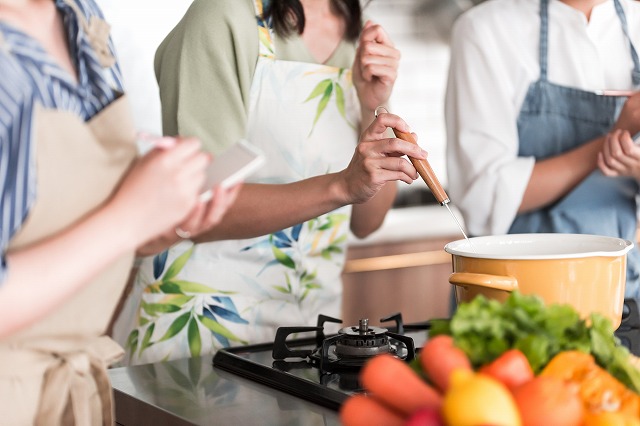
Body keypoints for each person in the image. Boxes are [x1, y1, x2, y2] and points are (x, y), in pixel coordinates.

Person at [112, 0, 427, 365]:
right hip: (198, 323)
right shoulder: (223, 15)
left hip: (307, 334)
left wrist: (373, 102)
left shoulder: (362, 35)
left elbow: (366, 222)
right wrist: (340, 186)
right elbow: (197, 207)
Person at [0, 0, 238, 423]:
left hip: (71, 396)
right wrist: (128, 218)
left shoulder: (80, 16)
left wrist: (160, 224)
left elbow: (75, 229)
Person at [446, 0, 640, 303]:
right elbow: (482, 197)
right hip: (511, 303)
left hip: (617, 297)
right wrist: (610, 142)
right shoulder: (486, 29)